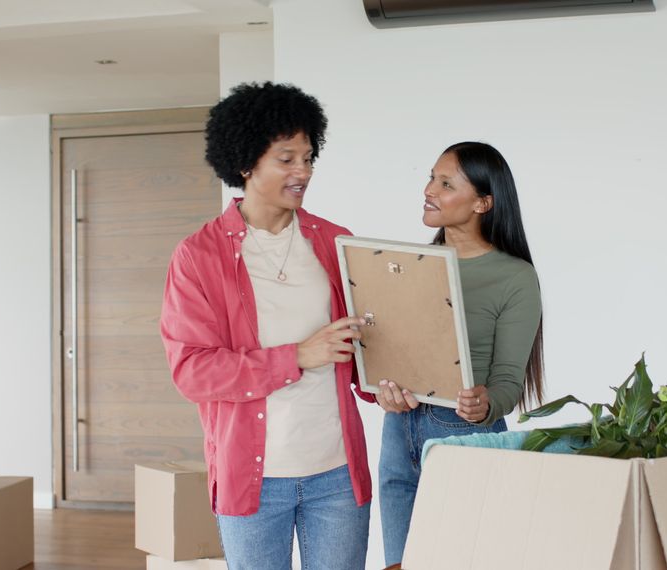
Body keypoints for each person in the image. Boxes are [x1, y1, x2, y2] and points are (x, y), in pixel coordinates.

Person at [160, 82, 373, 570]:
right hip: (254, 479)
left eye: (309, 157)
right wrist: (296, 356)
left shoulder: (335, 241)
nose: (304, 172)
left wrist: (390, 382)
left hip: (337, 473)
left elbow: (363, 349)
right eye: (286, 159)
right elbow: (193, 372)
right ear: (245, 162)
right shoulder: (199, 256)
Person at [376, 141, 545, 565]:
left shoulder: (514, 277)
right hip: (399, 429)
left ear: (483, 203)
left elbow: (508, 379)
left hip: (464, 434)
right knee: (400, 563)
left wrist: (485, 403)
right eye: (431, 177)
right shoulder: (410, 265)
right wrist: (385, 388)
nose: (429, 189)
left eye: (445, 183)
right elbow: (395, 353)